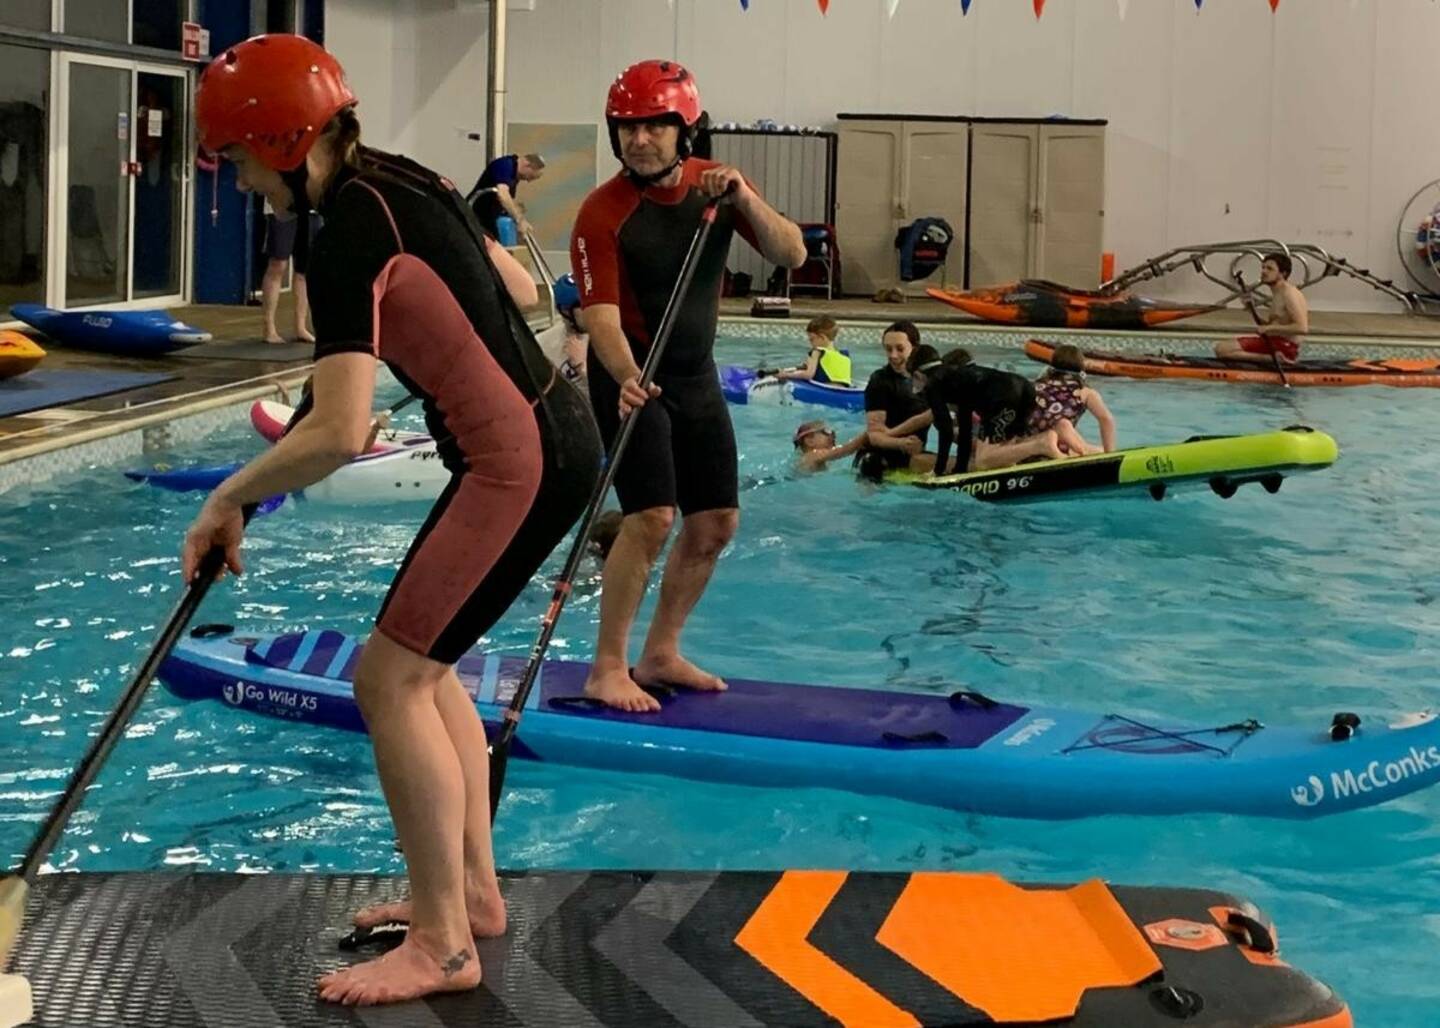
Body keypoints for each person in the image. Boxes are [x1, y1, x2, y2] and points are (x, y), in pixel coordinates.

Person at [184, 35, 600, 1007]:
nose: (242, 182)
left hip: (517, 466)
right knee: (424, 664)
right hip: (549, 434)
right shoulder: (398, 178)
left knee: (389, 679)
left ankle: (445, 943)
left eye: (241, 159)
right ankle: (468, 898)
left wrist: (227, 495)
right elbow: (509, 290)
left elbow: (339, 429)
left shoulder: (342, 241)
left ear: (285, 142)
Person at [571, 58, 805, 713]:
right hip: (631, 376)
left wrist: (744, 200)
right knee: (651, 518)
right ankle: (606, 669)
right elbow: (601, 318)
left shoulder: (716, 189)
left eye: (654, 127)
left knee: (715, 524)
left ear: (686, 129)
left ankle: (661, 653)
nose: (638, 140)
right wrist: (625, 377)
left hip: (695, 377)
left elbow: (792, 255)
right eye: (626, 128)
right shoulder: (602, 212)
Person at [908, 345, 1063, 476]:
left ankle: (1041, 444)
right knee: (1005, 448)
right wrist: (959, 469)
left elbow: (946, 432)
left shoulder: (934, 384)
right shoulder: (958, 377)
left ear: (918, 375)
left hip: (1002, 396)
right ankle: (1039, 443)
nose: (915, 389)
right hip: (1024, 387)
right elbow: (965, 429)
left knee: (983, 460)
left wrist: (937, 471)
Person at [1214, 252, 1308, 363]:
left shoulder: (1289, 294)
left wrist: (1268, 329)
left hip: (1284, 346)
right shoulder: (1278, 293)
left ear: (1282, 273)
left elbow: (1302, 328)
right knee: (1223, 347)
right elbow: (1272, 326)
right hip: (1274, 341)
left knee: (1222, 349)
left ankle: (1271, 359)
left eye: (1269, 269)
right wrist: (1251, 309)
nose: (1264, 271)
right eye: (1263, 267)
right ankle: (1272, 358)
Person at [1028, 343, 1117, 454]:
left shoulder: (1035, 386)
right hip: (1059, 445)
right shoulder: (1084, 392)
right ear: (1081, 367)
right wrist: (1110, 453)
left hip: (1029, 446)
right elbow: (1106, 419)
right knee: (1099, 450)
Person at [260, 198, 319, 343]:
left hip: (311, 207)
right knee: (278, 264)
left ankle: (300, 326)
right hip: (282, 205)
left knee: (305, 268)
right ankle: (269, 326)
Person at [467, 152, 545, 238]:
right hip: (474, 215)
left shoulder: (513, 176)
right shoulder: (505, 165)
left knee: (496, 247)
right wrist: (519, 220)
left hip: (488, 218)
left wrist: (521, 217)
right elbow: (503, 195)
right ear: (527, 165)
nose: (528, 181)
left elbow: (508, 202)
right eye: (531, 176)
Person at [773, 314, 852, 385]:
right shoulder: (844, 355)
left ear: (822, 337)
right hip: (845, 393)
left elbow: (808, 374)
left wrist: (786, 375)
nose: (810, 343)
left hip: (824, 391)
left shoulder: (817, 352)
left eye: (812, 339)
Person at [793, 419, 867, 472]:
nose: (833, 435)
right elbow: (845, 449)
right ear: (810, 441)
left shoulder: (814, 459)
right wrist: (867, 435)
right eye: (826, 431)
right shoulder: (812, 456)